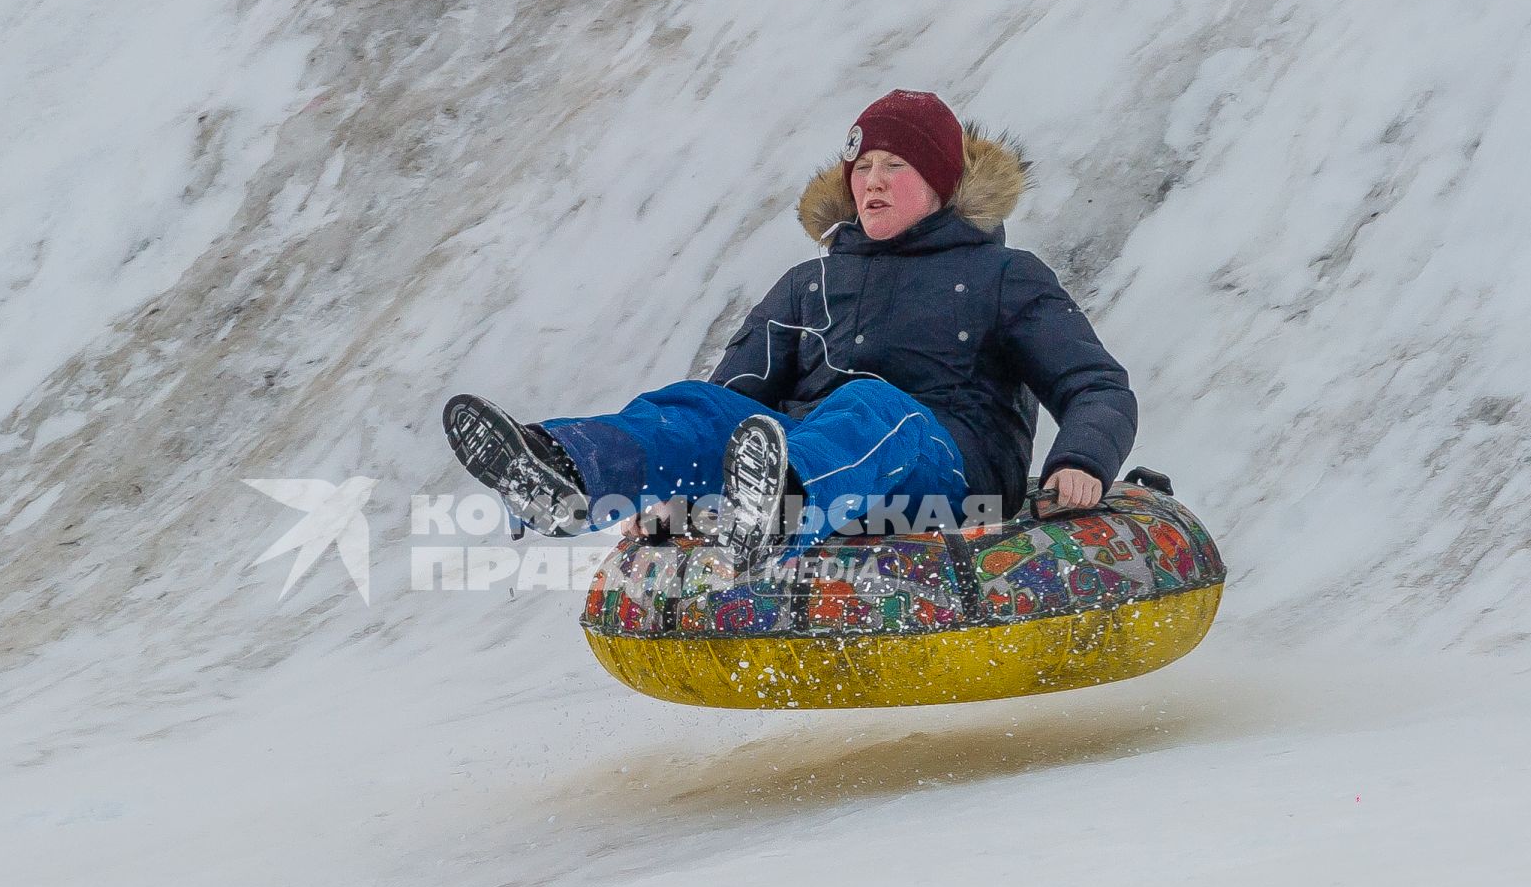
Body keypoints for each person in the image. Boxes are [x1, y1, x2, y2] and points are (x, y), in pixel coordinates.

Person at [442, 89, 1136, 568]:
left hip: (949, 473)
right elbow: (734, 410)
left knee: (872, 409)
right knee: (698, 406)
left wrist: (1081, 461)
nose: (874, 180)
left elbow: (1095, 385)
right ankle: (565, 473)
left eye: (896, 166)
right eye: (863, 166)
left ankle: (780, 510)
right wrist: (686, 501)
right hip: (806, 466)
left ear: (941, 184)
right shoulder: (811, 284)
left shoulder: (1002, 275)